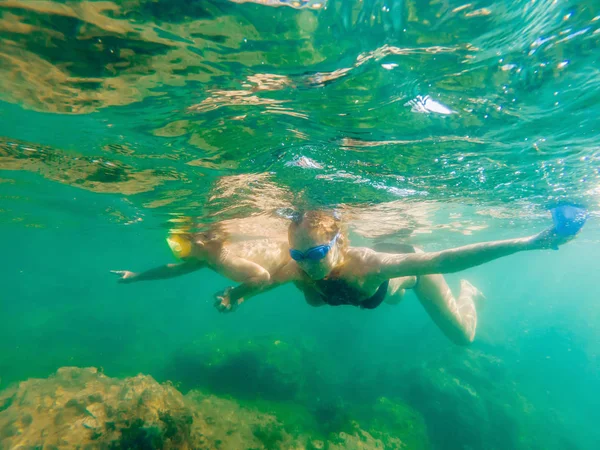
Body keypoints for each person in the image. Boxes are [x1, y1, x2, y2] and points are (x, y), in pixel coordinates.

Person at [213, 205, 587, 346]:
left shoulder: (369, 264)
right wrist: (236, 295)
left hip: (413, 275)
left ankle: (469, 295)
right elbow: (264, 281)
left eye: (314, 254)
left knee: (463, 337)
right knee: (305, 288)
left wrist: (529, 242)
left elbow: (448, 259)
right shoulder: (299, 266)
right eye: (298, 254)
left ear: (340, 243)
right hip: (373, 296)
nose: (305, 263)